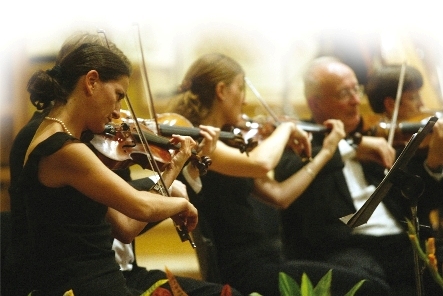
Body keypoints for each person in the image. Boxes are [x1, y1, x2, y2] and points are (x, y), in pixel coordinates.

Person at [4, 35, 230, 296]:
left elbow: (126, 225)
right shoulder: (65, 150)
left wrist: (174, 167)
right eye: (118, 95)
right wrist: (181, 203)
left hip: (98, 280)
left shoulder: (68, 141)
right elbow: (141, 205)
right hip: (83, 285)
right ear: (91, 81)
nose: (117, 111)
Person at [166, 53, 392, 296]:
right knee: (370, 289)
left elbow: (280, 196)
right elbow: (262, 163)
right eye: (240, 88)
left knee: (371, 283)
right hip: (245, 270)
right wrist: (285, 128)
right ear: (221, 90)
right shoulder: (204, 143)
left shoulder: (230, 144)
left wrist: (326, 152)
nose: (243, 101)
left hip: (269, 261)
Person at [274, 56, 443, 296]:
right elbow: (292, 183)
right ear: (316, 104)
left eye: (357, 89)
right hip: (345, 246)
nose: (356, 101)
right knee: (367, 281)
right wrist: (348, 149)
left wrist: (434, 164)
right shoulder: (299, 144)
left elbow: (419, 202)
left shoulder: (379, 140)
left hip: (401, 239)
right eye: (344, 93)